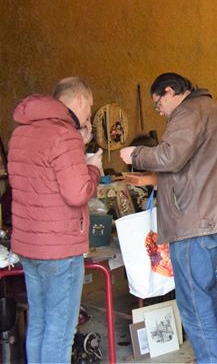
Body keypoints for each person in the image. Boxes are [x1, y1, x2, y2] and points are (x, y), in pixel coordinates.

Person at [120, 73, 217, 363]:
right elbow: (195, 166)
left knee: (193, 300)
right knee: (204, 292)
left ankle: (209, 359)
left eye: (158, 104)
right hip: (212, 215)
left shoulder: (189, 112)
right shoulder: (216, 110)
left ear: (170, 91)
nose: (159, 111)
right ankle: (212, 355)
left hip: (192, 220)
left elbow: (170, 156)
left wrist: (137, 154)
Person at [8, 77, 103, 363]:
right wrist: (93, 169)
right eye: (90, 107)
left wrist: (77, 144)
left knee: (38, 322)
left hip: (29, 245)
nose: (89, 115)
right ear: (79, 100)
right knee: (60, 332)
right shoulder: (64, 135)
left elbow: (42, 178)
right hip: (60, 248)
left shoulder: (21, 133)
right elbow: (77, 193)